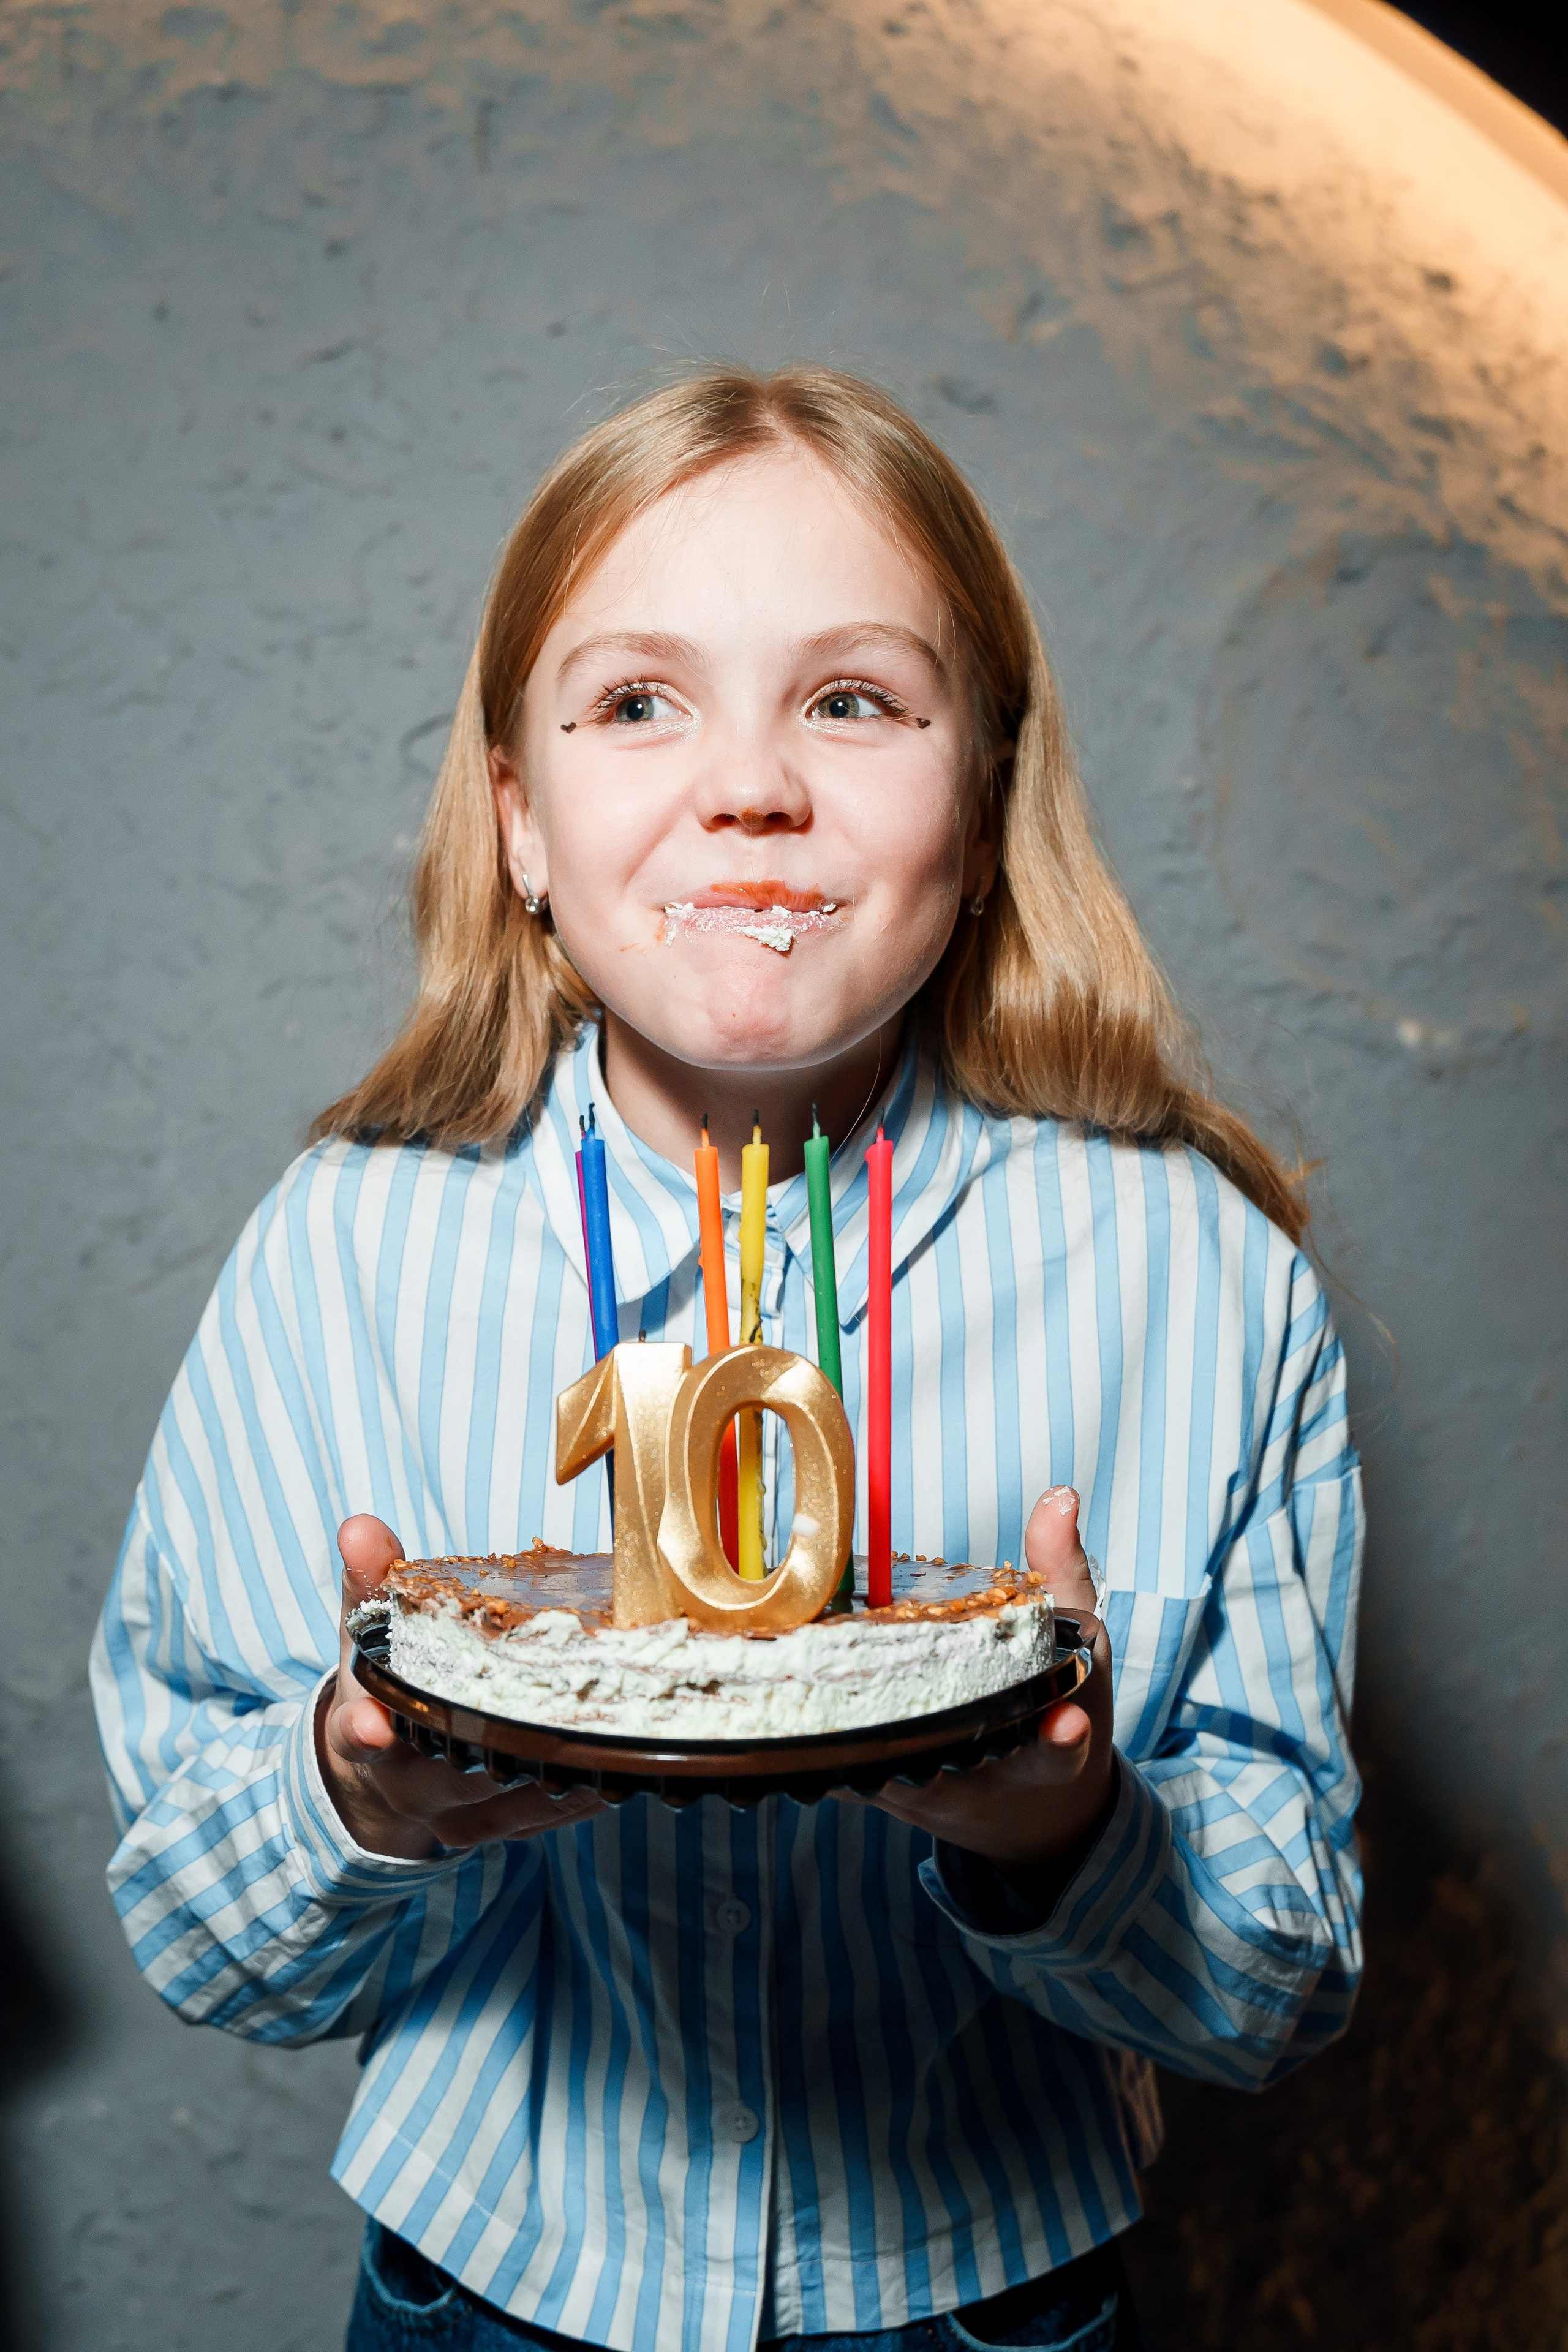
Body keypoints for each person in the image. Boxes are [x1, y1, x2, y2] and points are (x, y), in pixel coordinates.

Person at [91, 364, 1363, 2352]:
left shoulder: (1199, 1282)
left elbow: (1282, 1981)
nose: (752, 785)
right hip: (484, 2292)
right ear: (518, 820)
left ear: (985, 802)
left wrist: (1066, 1836)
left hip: (988, 2297)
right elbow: (196, 1935)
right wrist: (359, 1794)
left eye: (852, 700)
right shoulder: (348, 1251)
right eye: (636, 703)